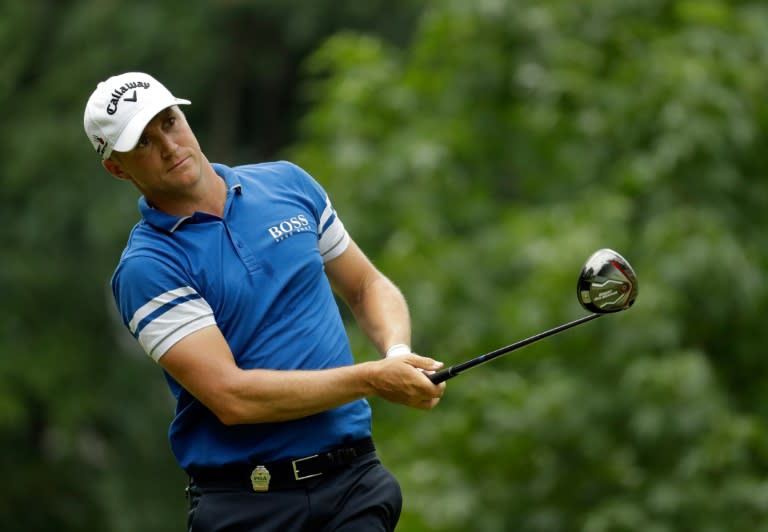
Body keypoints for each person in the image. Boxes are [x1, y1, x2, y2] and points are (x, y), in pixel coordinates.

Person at [83, 72, 446, 532]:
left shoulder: (287, 185)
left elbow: (365, 286)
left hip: (353, 483)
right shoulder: (148, 267)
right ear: (117, 167)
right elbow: (233, 397)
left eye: (170, 122)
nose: (170, 146)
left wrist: (396, 354)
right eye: (143, 143)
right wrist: (373, 378)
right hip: (248, 507)